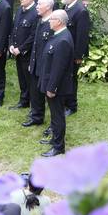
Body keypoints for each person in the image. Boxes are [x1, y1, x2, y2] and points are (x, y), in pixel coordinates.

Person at [39, 9, 74, 157]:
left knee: (58, 116)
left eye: (52, 19)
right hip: (51, 83)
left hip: (57, 87)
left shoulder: (63, 40)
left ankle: (58, 147)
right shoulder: (59, 36)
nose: (49, 21)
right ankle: (55, 140)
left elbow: (58, 68)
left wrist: (52, 88)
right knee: (54, 115)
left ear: (59, 22)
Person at [23, 0, 54, 128]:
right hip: (36, 64)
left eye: (39, 4)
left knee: (48, 96)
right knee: (35, 92)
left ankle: (53, 124)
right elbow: (35, 45)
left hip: (46, 67)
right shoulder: (40, 21)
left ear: (47, 7)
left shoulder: (53, 24)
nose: (36, 6)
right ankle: (36, 116)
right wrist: (32, 63)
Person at [61, 0, 90, 116]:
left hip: (73, 53)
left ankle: (72, 105)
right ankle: (64, 101)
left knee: (71, 79)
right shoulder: (66, 7)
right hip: (63, 51)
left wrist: (78, 56)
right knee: (63, 78)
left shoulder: (81, 11)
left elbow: (82, 36)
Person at [8, 0, 38, 110]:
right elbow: (14, 29)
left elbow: (33, 36)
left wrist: (20, 49)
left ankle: (34, 103)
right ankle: (24, 100)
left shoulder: (36, 13)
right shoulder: (20, 9)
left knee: (29, 79)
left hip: (28, 53)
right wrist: (11, 44)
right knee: (21, 78)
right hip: (16, 51)